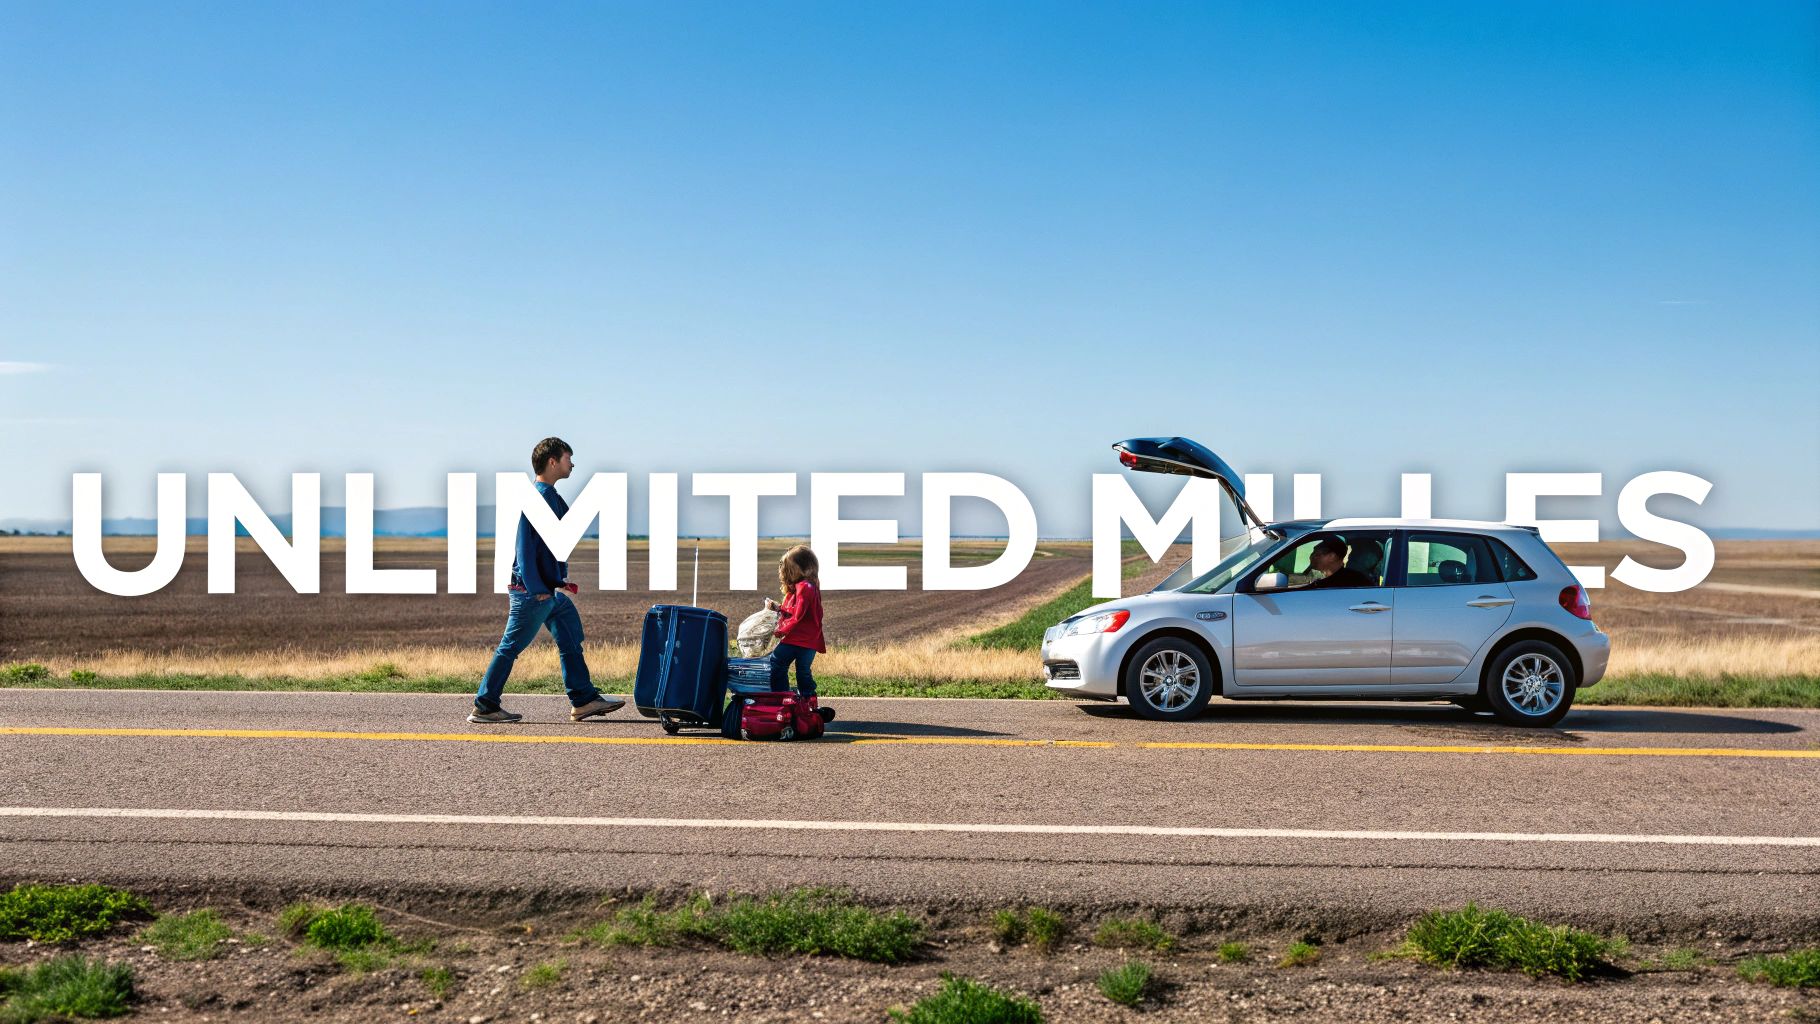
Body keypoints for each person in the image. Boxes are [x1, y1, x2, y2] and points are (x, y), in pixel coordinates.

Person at [469, 437, 624, 724]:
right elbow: (524, 547)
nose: (573, 463)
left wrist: (556, 581)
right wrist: (539, 587)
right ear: (553, 461)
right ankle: (485, 704)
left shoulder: (546, 495)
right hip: (531, 592)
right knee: (510, 647)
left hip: (545, 590)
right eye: (568, 458)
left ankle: (584, 699)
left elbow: (550, 544)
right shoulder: (538, 497)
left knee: (569, 635)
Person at [763, 545, 825, 698]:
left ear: (797, 568)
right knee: (802, 670)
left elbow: (798, 615)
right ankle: (808, 698)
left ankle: (782, 696)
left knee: (777, 662)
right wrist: (779, 608)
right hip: (809, 639)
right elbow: (798, 610)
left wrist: (780, 630)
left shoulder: (804, 587)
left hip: (799, 638)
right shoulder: (810, 585)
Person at [1305, 536, 1372, 589]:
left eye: (1317, 555)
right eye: (1312, 554)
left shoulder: (1353, 581)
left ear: (1332, 556)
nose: (1312, 557)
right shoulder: (1315, 576)